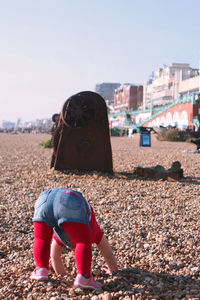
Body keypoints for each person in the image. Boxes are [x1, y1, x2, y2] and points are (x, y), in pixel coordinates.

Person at [30, 188, 119, 290]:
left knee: (41, 239)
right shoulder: (95, 232)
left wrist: (62, 274)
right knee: (82, 241)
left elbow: (55, 256)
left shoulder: (60, 233)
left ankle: (41, 270)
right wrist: (114, 270)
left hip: (43, 199)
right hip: (69, 201)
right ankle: (84, 278)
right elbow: (108, 253)